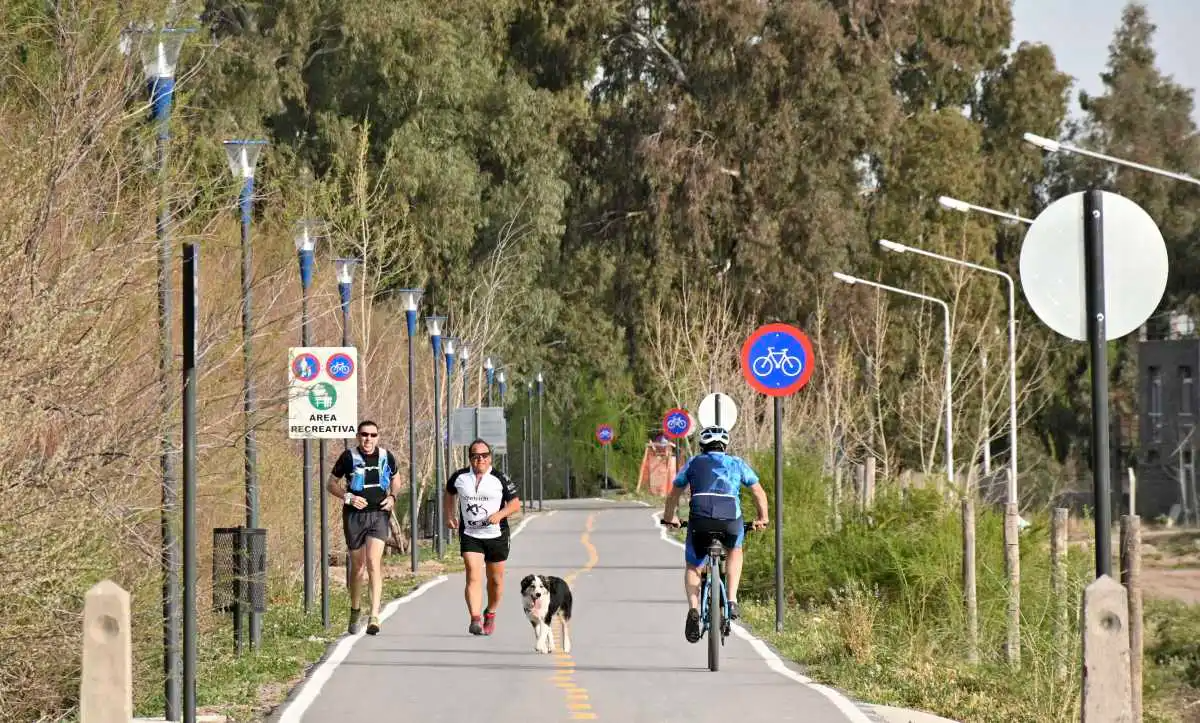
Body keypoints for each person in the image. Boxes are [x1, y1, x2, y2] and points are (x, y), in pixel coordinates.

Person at [662, 425, 769, 643]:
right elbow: (758, 491)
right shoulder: (736, 463)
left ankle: (693, 608)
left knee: (694, 565)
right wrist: (762, 518)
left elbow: (673, 493)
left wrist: (669, 517)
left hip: (699, 521)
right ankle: (731, 599)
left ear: (702, 446)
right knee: (735, 550)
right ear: (725, 445)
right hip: (730, 521)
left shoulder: (693, 463)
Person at [326, 420, 399, 636]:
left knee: (373, 563)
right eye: (364, 435)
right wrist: (348, 497)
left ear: (378, 436)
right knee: (357, 567)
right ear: (358, 436)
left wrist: (393, 497)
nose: (368, 439)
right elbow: (330, 484)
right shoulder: (348, 457)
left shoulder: (386, 456)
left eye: (372, 435)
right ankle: (355, 608)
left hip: (378, 515)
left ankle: (374, 615)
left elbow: (397, 479)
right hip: (354, 516)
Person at [444, 438, 521, 636]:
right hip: (471, 534)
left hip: (496, 535)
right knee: (473, 573)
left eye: (484, 455)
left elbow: (515, 504)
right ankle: (475, 619)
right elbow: (449, 493)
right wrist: (449, 515)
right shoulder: (460, 477)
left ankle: (491, 613)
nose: (480, 459)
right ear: (470, 458)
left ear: (490, 458)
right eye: (476, 456)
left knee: (495, 580)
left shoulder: (499, 478)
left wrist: (500, 515)